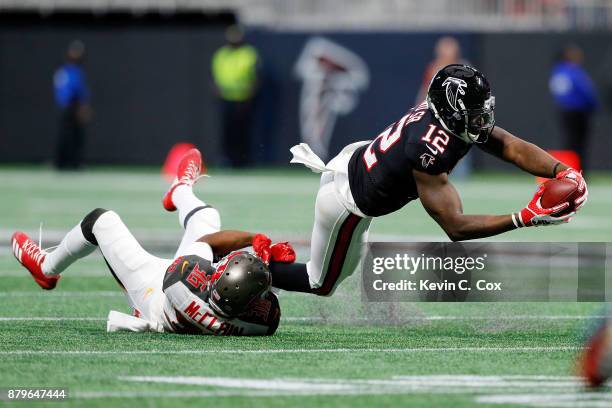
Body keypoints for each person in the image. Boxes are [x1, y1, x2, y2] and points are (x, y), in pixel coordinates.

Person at [269, 64, 589, 296]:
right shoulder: (428, 147)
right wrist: (524, 218)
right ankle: (247, 270)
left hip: (356, 162)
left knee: (333, 274)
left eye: (483, 111)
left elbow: (510, 146)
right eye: (474, 114)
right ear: (450, 113)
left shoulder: (451, 119)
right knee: (320, 283)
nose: (483, 121)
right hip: (345, 200)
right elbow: (456, 226)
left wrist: (563, 172)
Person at [11, 149, 294, 336]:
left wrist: (252, 239)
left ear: (213, 283)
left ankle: (46, 268)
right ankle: (179, 189)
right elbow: (255, 290)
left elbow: (210, 242)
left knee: (100, 220)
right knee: (207, 215)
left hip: (157, 295)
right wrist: (267, 265)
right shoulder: (263, 321)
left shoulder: (188, 281)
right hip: (187, 306)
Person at [211, 25, 259, 167]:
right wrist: (217, 90)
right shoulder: (221, 54)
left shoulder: (248, 53)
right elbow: (213, 74)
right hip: (226, 99)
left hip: (244, 99)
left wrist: (250, 93)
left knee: (243, 132)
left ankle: (243, 160)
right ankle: (226, 160)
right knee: (227, 132)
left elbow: (256, 76)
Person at [549, 44, 598, 173]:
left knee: (569, 143)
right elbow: (586, 92)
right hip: (578, 112)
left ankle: (568, 172)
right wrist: (593, 106)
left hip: (565, 112)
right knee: (579, 145)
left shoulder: (557, 71)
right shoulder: (573, 71)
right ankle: (580, 173)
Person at [53, 40, 92, 170]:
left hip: (70, 107)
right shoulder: (67, 72)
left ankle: (72, 163)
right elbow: (74, 92)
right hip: (70, 107)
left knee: (74, 136)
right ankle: (62, 163)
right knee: (68, 136)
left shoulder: (69, 71)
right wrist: (82, 107)